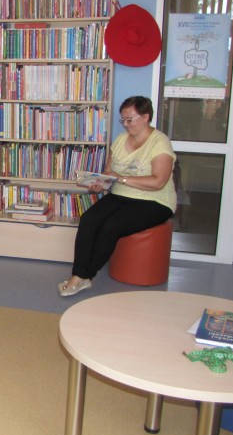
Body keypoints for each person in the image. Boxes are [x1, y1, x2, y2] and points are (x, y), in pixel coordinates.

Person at [59, 96, 176, 296]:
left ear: (146, 117)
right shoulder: (121, 139)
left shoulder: (160, 142)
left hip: (155, 201)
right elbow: (108, 173)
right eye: (123, 120)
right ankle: (78, 275)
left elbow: (158, 182)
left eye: (130, 120)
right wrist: (99, 184)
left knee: (111, 226)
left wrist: (121, 178)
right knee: (88, 219)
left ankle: (85, 276)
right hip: (121, 195)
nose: (125, 124)